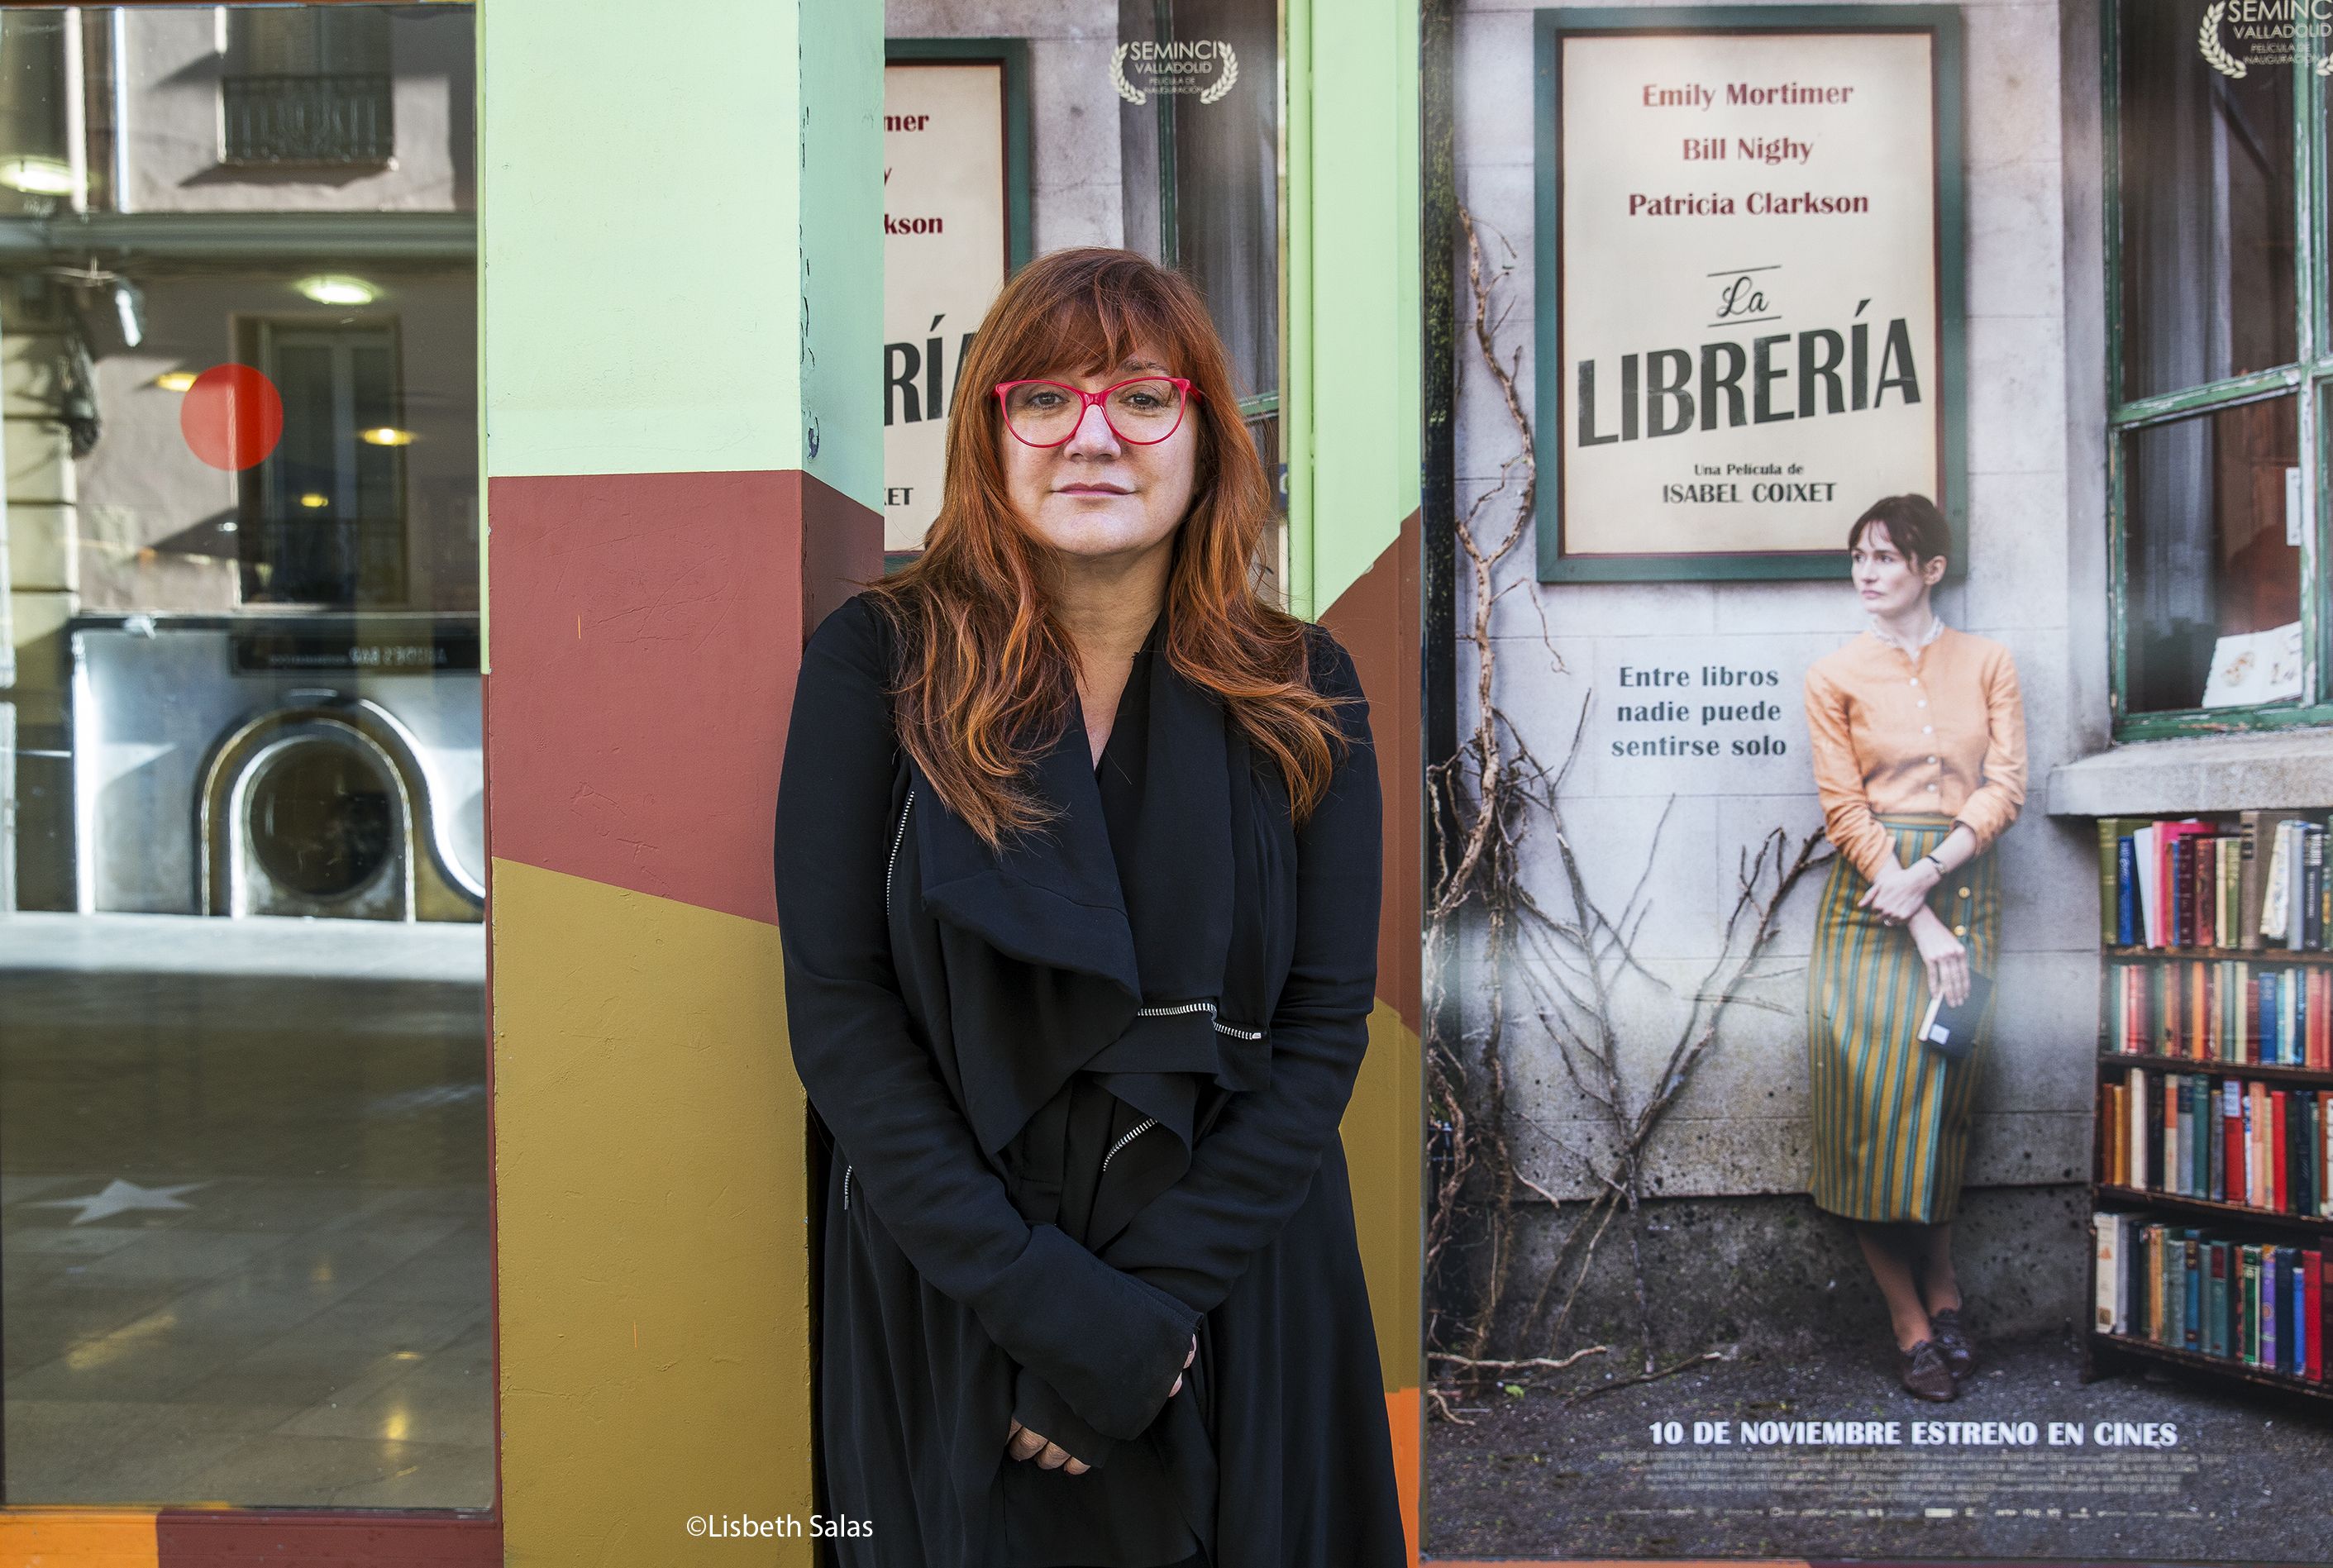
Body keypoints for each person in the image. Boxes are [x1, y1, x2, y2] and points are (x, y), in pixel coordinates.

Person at [772, 248, 1406, 1568]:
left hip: (1231, 1294)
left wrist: (1142, 1319)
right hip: (957, 1296)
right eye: (1044, 401)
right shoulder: (876, 665)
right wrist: (1045, 1310)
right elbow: (843, 1019)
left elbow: (1319, 1033)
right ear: (989, 435)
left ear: (1205, 432)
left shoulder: (1304, 687)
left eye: (1139, 396)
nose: (1092, 438)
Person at [1801, 494, 2027, 1404]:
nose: (1866, 572)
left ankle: (1945, 1288)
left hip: (1960, 885)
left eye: (1886, 557)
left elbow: (2005, 784)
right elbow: (1843, 808)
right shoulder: (1831, 675)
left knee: (1938, 1104)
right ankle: (1908, 1319)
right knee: (1865, 1112)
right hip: (1870, 905)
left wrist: (1932, 871)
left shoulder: (1988, 663)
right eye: (1857, 556)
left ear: (1929, 568)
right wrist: (1914, 905)